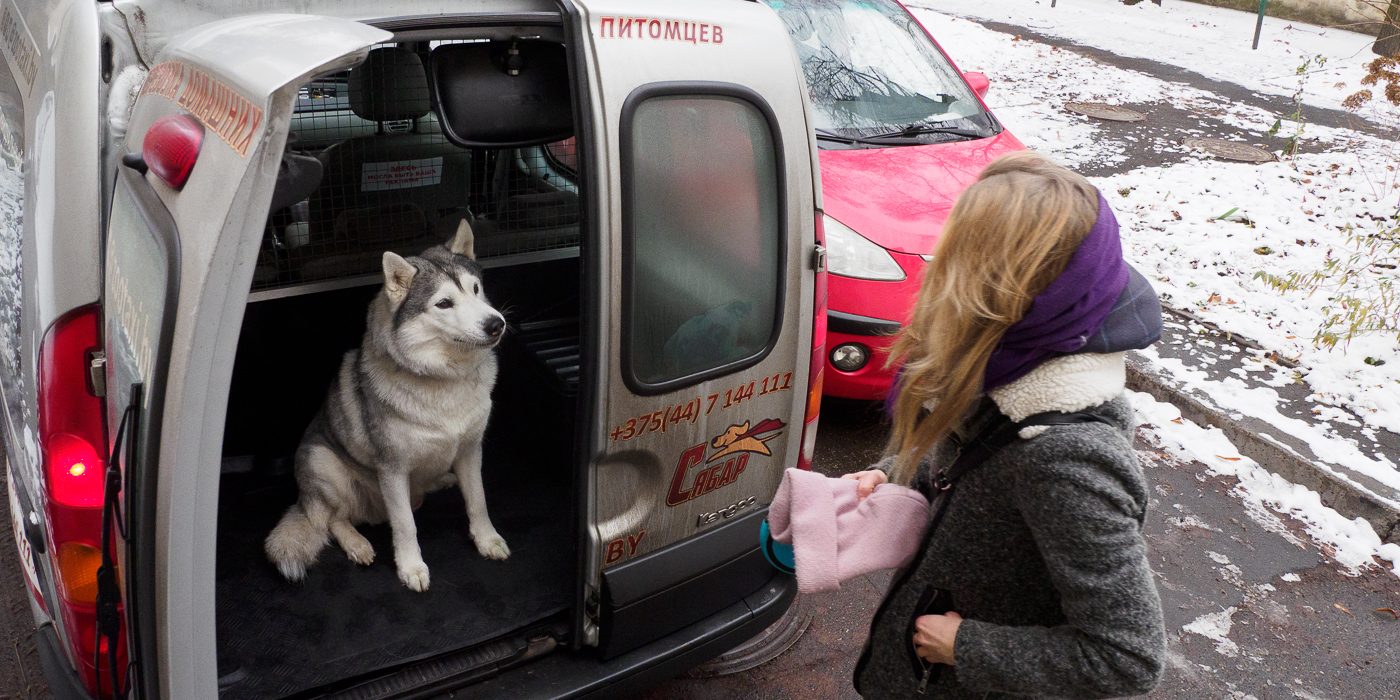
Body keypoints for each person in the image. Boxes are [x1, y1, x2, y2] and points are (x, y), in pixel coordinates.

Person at [843, 151, 1167, 699]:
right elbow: (974, 459)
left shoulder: (1064, 460)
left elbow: (1127, 656)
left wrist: (966, 646)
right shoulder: (1013, 364)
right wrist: (898, 473)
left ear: (1001, 288)